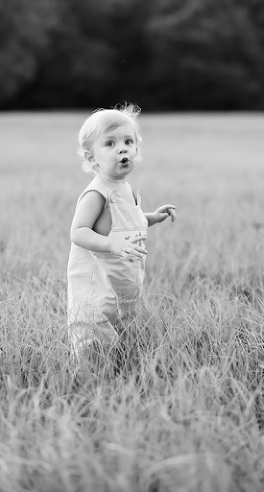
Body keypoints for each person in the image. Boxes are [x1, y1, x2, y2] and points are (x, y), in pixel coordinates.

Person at [67, 103, 176, 363]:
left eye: (128, 141)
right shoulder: (97, 193)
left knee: (119, 342)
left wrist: (151, 218)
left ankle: (119, 376)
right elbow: (78, 232)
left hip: (121, 288)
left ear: (136, 149)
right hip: (96, 291)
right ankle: (85, 389)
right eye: (110, 143)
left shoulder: (124, 188)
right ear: (92, 157)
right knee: (93, 347)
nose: (122, 148)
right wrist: (112, 244)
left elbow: (126, 223)